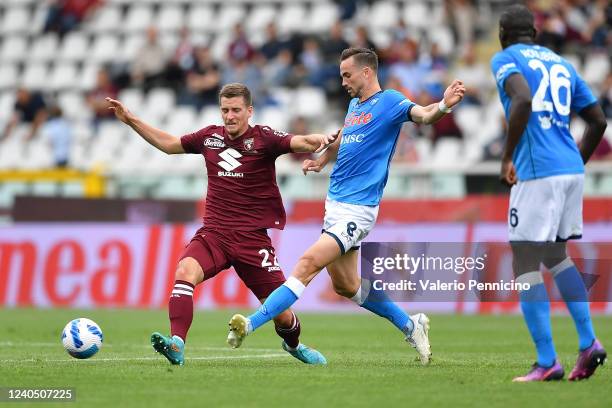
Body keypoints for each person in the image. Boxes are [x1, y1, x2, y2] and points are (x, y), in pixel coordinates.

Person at [226, 48, 465, 365]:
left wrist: (445, 104)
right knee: (346, 285)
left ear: (367, 73)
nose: (342, 82)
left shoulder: (391, 101)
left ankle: (250, 323)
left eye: (347, 75)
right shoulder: (355, 106)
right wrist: (322, 158)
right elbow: (346, 139)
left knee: (308, 262)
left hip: (359, 209)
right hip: (335, 206)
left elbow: (423, 115)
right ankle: (411, 324)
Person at [107, 83, 335, 366]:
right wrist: (131, 120)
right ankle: (177, 344)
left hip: (253, 240)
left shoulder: (263, 138)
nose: (230, 116)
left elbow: (299, 142)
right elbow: (169, 145)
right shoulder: (209, 137)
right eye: (225, 110)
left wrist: (318, 140)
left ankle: (294, 345)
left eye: (236, 110)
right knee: (184, 271)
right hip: (214, 233)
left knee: (283, 313)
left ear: (249, 111)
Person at [490, 5, 607, 382]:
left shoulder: (506, 58)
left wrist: (507, 156)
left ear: (503, 33)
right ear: (535, 34)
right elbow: (598, 121)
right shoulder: (563, 64)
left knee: (525, 264)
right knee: (557, 255)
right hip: (570, 169)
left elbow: (521, 99)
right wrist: (575, 164)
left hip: (538, 170)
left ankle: (546, 362)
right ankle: (588, 343)